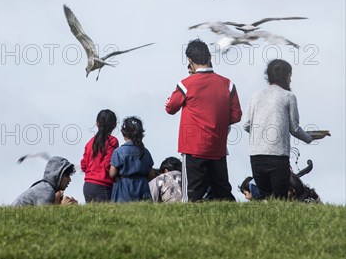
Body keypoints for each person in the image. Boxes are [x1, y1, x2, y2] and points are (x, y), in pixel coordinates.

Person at [165, 38, 242, 202]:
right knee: (222, 191)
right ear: (209, 58)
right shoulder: (227, 84)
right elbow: (236, 115)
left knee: (193, 193)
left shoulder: (186, 84)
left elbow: (170, 108)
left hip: (193, 147)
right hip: (217, 147)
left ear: (190, 61)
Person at [243, 59, 319, 199]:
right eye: (290, 76)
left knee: (265, 197)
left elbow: (247, 124)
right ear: (286, 76)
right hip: (278, 156)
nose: (291, 80)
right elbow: (294, 128)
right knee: (280, 199)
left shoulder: (256, 96)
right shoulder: (289, 96)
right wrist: (310, 138)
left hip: (256, 156)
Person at [110, 116, 154, 202]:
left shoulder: (119, 151)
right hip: (142, 187)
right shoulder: (145, 152)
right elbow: (151, 174)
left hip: (124, 188)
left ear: (123, 133)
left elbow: (112, 173)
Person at [81, 109, 119, 202]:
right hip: (103, 185)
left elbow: (83, 165)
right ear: (114, 126)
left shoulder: (90, 142)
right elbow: (108, 164)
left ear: (97, 124)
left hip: (87, 185)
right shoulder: (112, 141)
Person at [12, 156, 77, 206]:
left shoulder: (44, 188)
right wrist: (64, 207)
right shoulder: (47, 191)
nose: (69, 180)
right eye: (66, 176)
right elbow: (45, 219)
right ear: (57, 175)